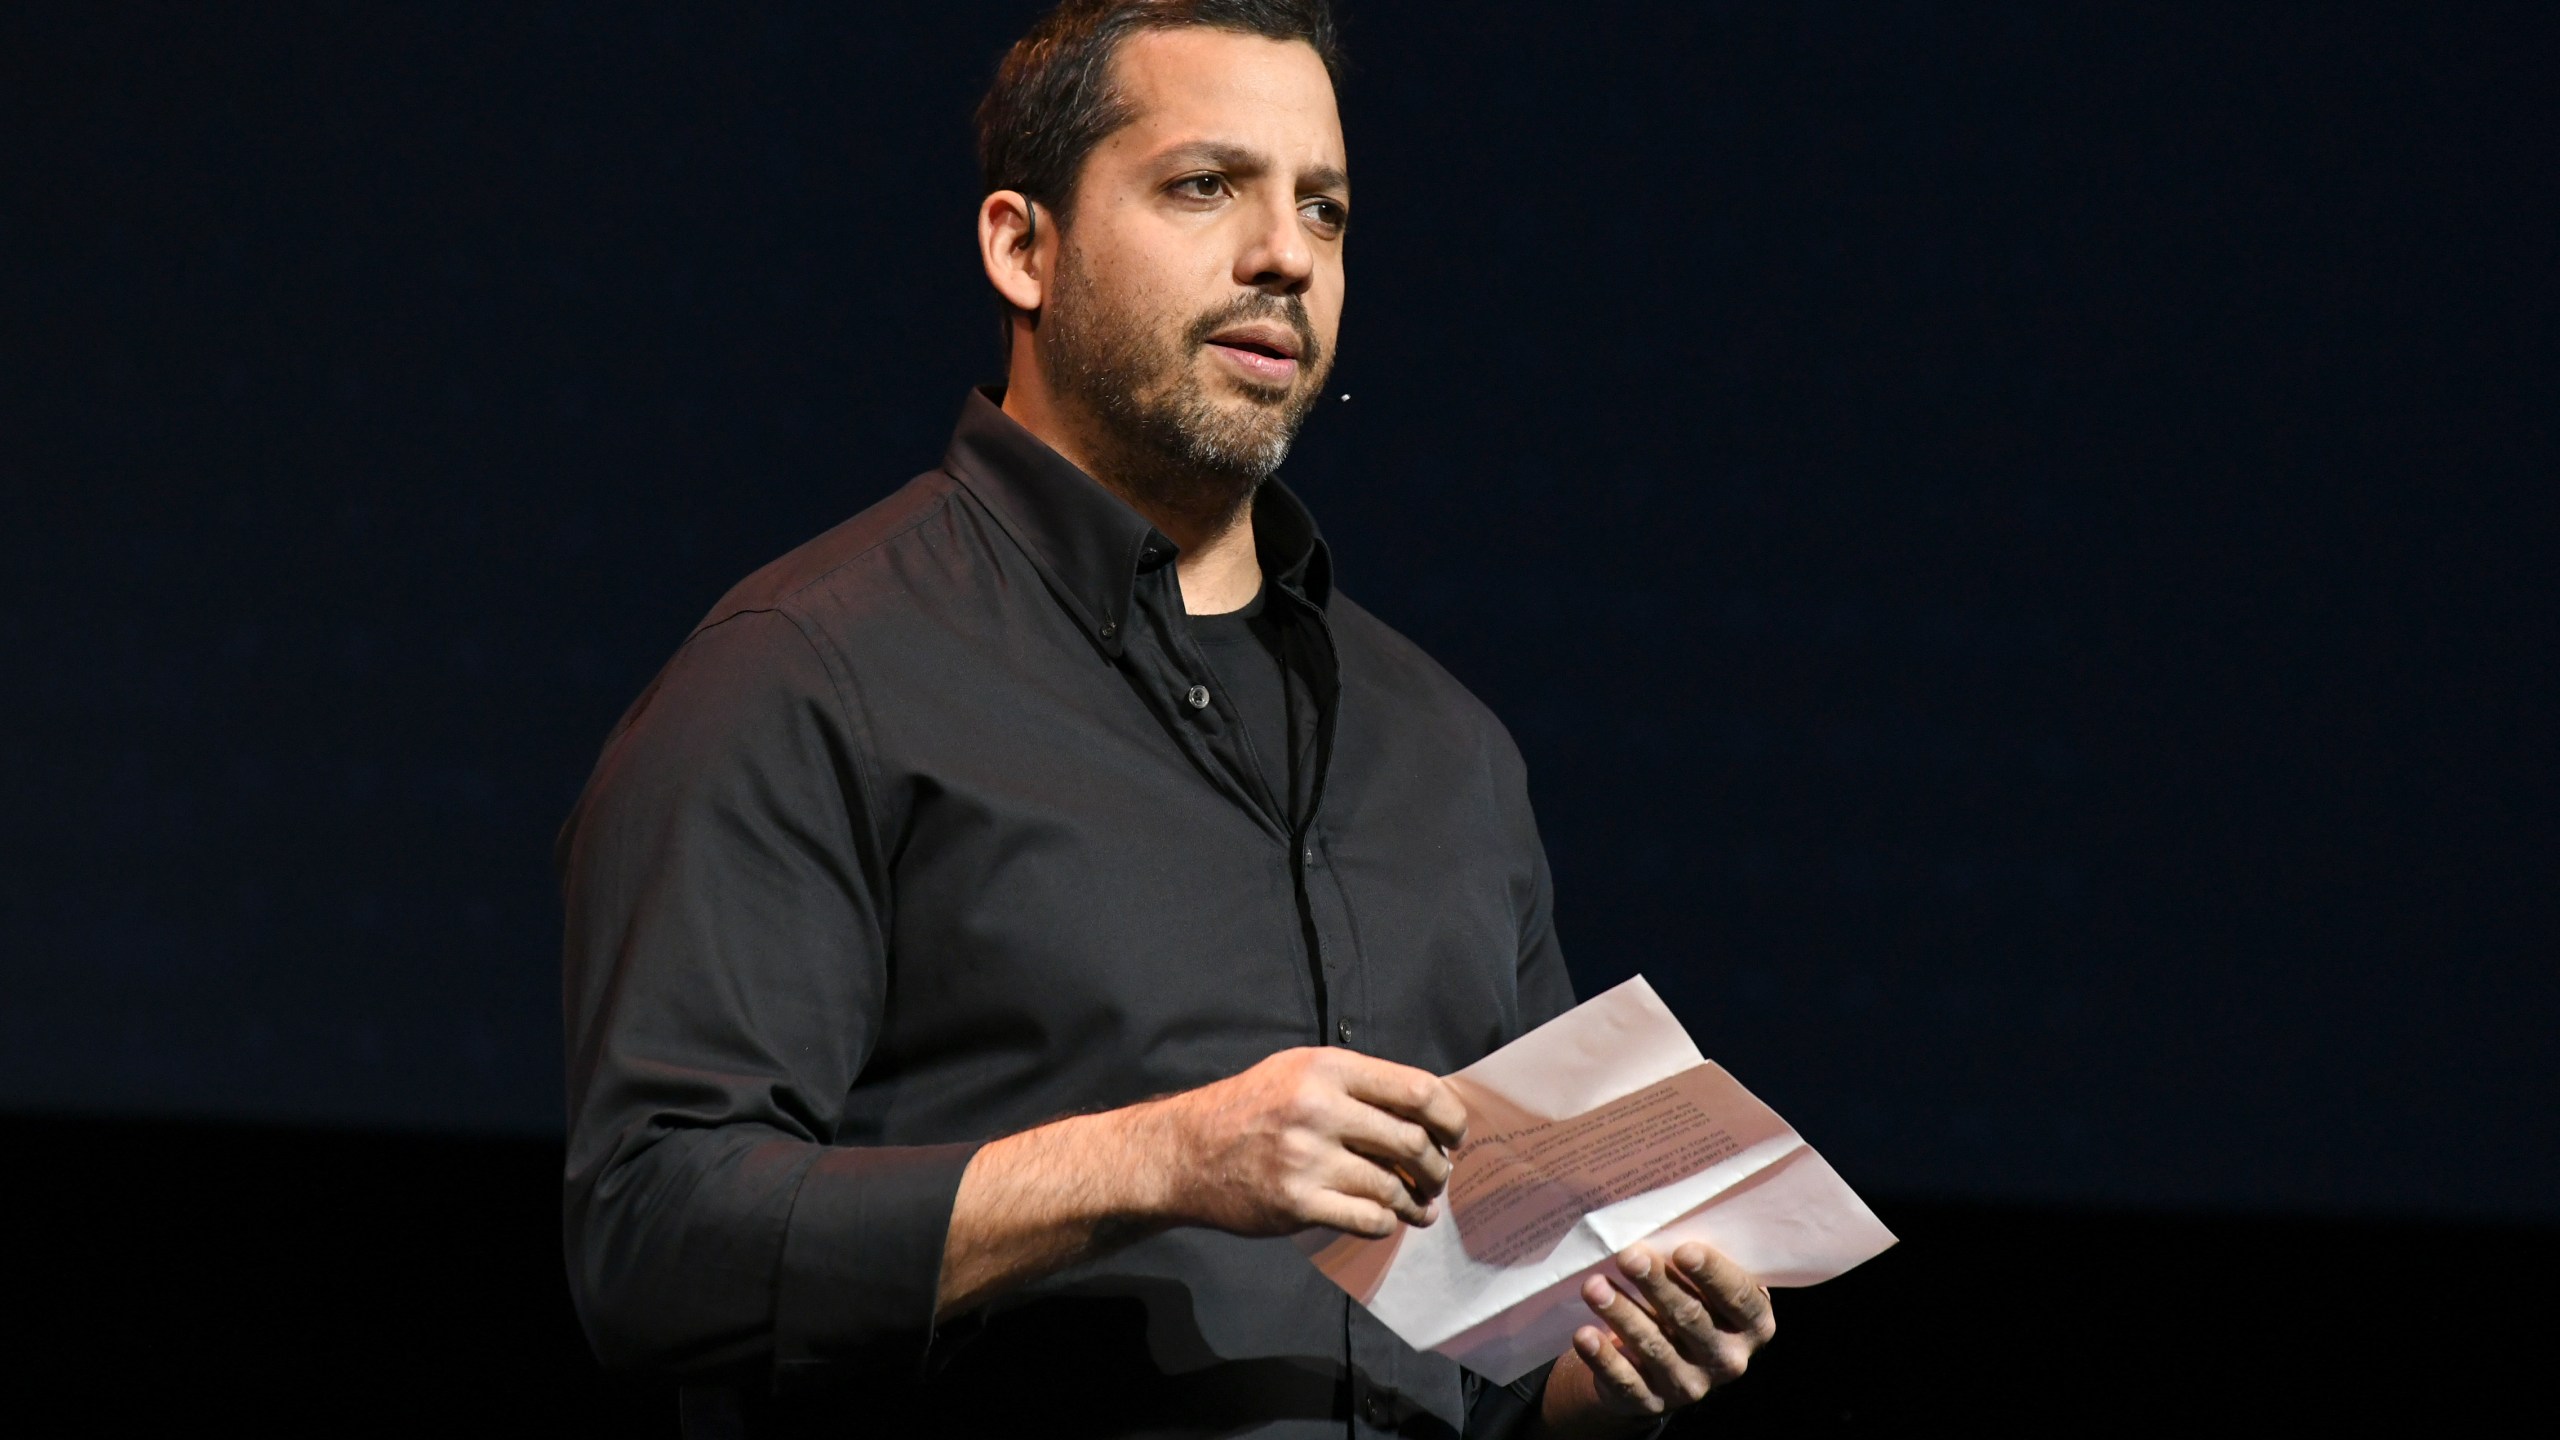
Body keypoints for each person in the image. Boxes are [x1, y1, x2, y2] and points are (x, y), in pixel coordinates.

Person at [558, 2, 1776, 1434]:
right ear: (1023, 245)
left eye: (1322, 207)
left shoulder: (1446, 751)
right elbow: (654, 1241)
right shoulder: (811, 672)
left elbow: (1494, 1363)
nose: (1285, 254)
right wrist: (1168, 1160)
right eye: (1206, 187)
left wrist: (1613, 1368)